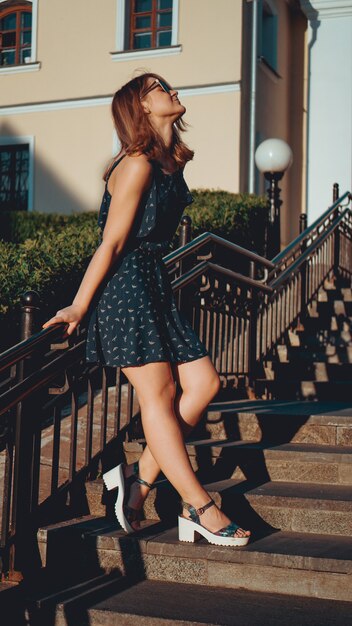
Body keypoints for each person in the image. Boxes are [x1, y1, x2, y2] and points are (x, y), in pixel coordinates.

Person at [42, 72, 250, 547]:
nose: (173, 90)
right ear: (140, 107)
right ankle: (201, 507)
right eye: (159, 88)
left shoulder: (165, 163)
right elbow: (112, 241)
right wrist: (79, 305)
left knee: (204, 384)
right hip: (127, 287)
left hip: (154, 283)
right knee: (159, 395)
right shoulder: (136, 164)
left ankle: (136, 481)